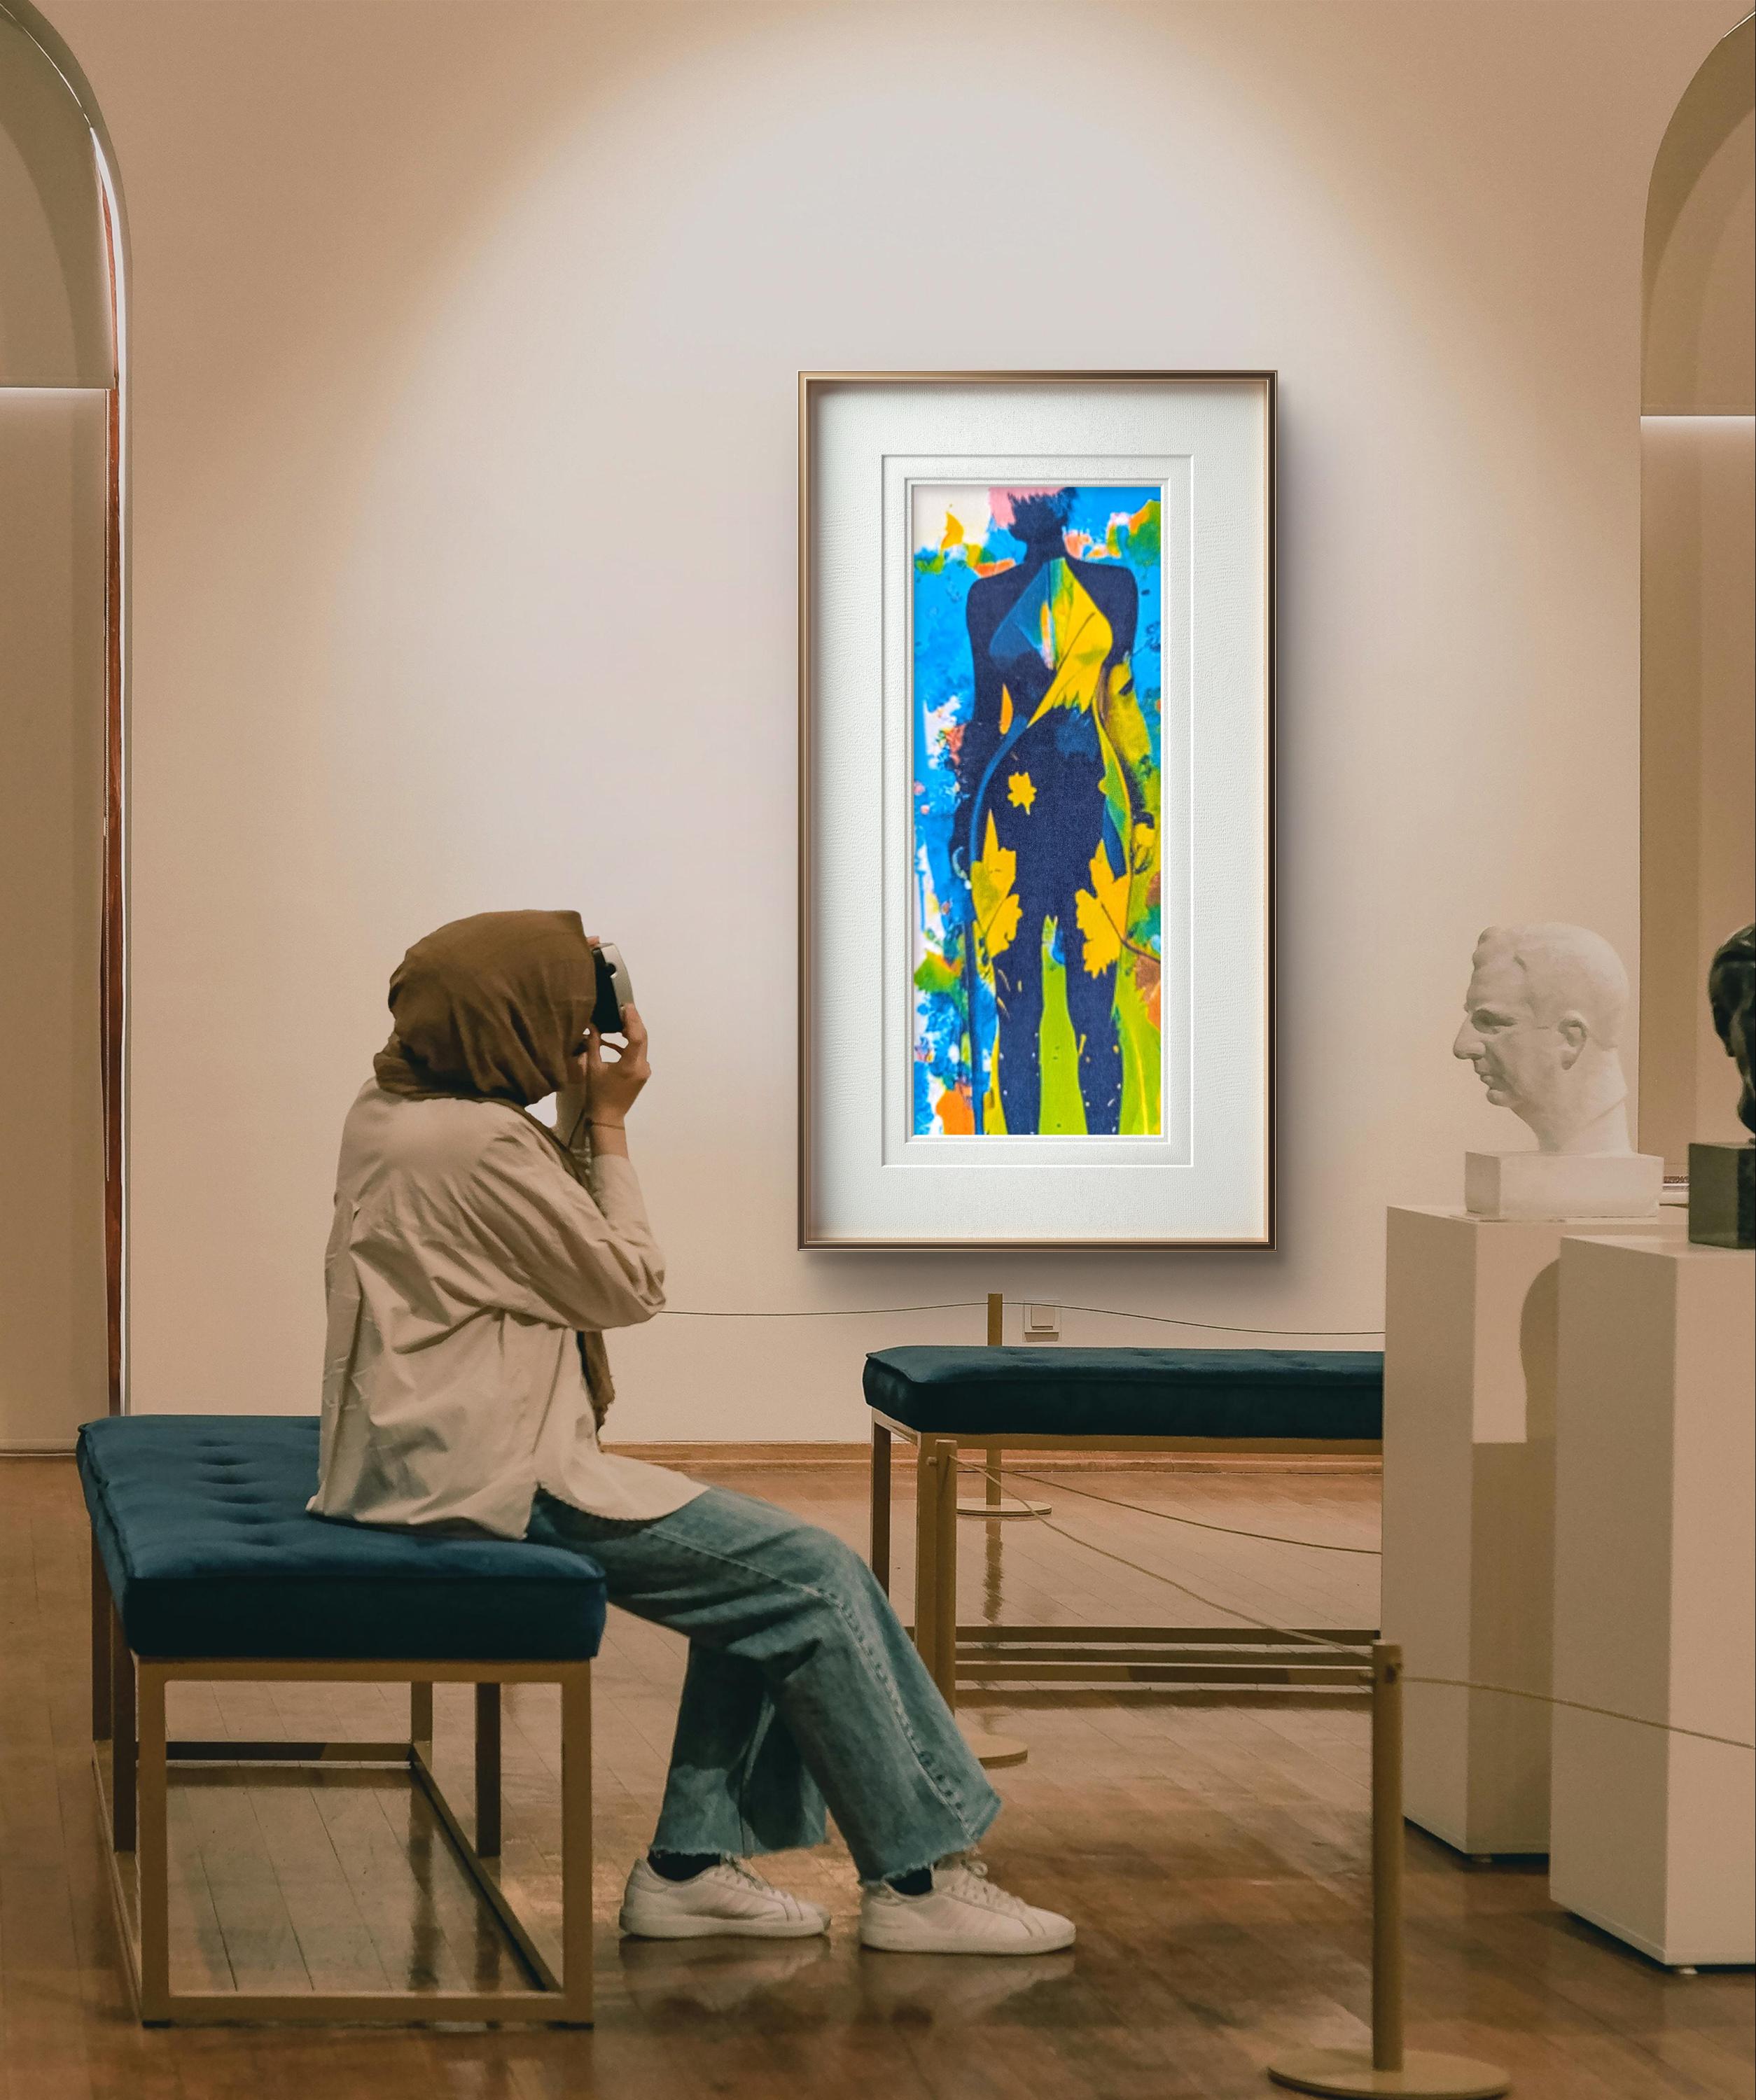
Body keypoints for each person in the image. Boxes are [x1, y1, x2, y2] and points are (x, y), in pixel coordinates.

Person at [310, 909, 1074, 1954]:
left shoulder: (392, 1104)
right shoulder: (477, 1144)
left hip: (423, 1457)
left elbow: (543, 1238)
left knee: (763, 1581)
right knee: (815, 1577)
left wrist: (573, 1107)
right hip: (496, 1478)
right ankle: (918, 1875)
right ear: (507, 1022)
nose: (577, 1031)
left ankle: (691, 1867)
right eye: (561, 1013)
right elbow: (627, 1282)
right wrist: (610, 1126)